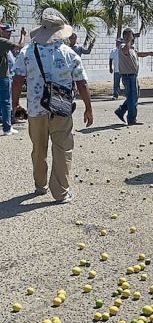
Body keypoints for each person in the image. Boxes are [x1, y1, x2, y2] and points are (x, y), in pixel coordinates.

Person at [12, 15, 94, 203]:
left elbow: (17, 80)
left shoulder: (27, 52)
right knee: (62, 148)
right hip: (61, 108)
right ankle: (60, 192)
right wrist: (88, 108)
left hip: (35, 109)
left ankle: (40, 186)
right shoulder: (69, 53)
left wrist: (15, 103)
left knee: (38, 149)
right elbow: (81, 83)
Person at [114, 28, 153, 125]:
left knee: (134, 97)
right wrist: (128, 39)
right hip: (128, 76)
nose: (133, 37)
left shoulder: (131, 48)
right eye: (131, 35)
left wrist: (148, 53)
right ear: (126, 36)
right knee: (132, 97)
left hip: (133, 76)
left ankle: (121, 110)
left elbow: (138, 54)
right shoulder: (123, 46)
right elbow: (125, 50)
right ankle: (132, 119)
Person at [0, 23, 26, 136]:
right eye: (7, 31)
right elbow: (20, 46)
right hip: (2, 75)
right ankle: (7, 128)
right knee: (6, 102)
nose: (9, 33)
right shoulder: (2, 41)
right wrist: (23, 35)